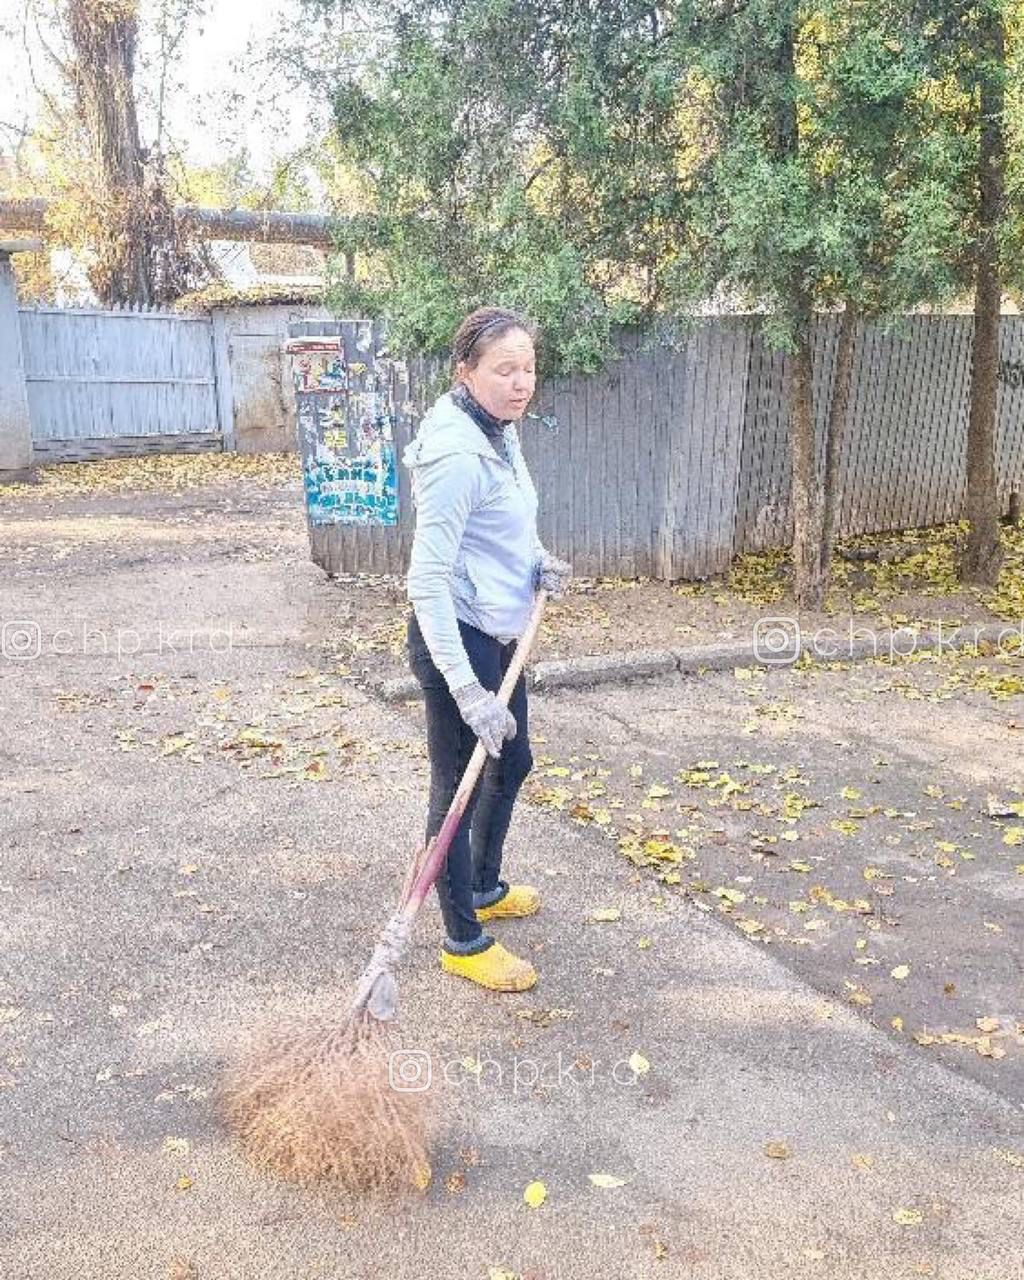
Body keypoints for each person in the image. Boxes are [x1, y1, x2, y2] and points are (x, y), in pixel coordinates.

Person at [403, 306, 572, 992]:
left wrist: (538, 561)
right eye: (505, 369)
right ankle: (462, 940)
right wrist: (468, 692)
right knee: (459, 789)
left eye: (528, 368)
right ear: (465, 371)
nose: (521, 382)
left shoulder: (499, 433)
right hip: (457, 639)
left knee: (515, 759)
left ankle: (483, 883)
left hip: (502, 629)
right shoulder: (456, 455)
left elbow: (512, 520)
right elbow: (427, 580)